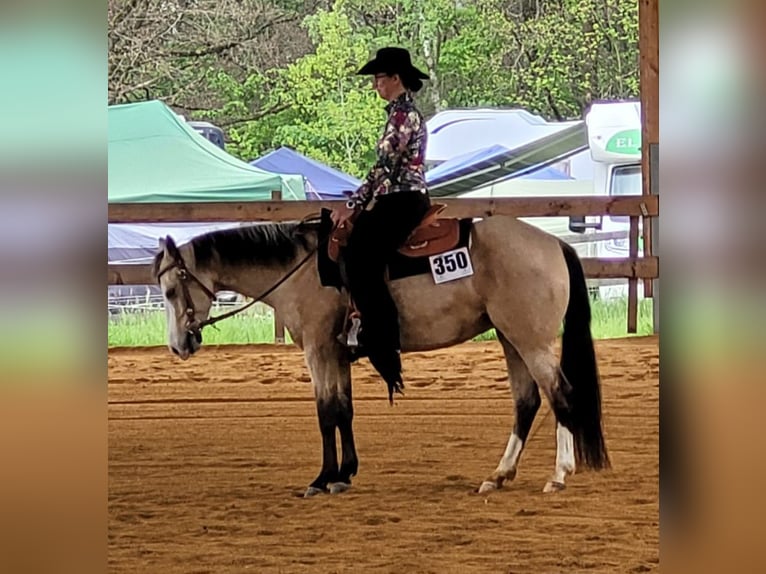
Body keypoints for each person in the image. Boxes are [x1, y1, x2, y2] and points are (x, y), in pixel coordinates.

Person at [331, 46, 432, 402]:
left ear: (395, 79)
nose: (375, 84)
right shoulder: (400, 114)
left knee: (360, 256)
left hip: (403, 198)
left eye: (379, 78)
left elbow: (385, 167)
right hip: (399, 196)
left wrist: (351, 204)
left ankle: (378, 335)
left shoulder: (403, 116)